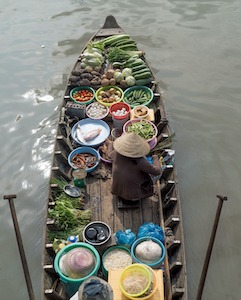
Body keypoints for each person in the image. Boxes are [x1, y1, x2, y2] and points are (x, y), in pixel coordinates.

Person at [106, 132, 161, 206]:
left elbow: (108, 155)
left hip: (117, 188)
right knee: (157, 175)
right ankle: (134, 198)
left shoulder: (117, 152)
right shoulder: (140, 161)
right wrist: (155, 158)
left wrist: (110, 144)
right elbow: (157, 171)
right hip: (132, 196)